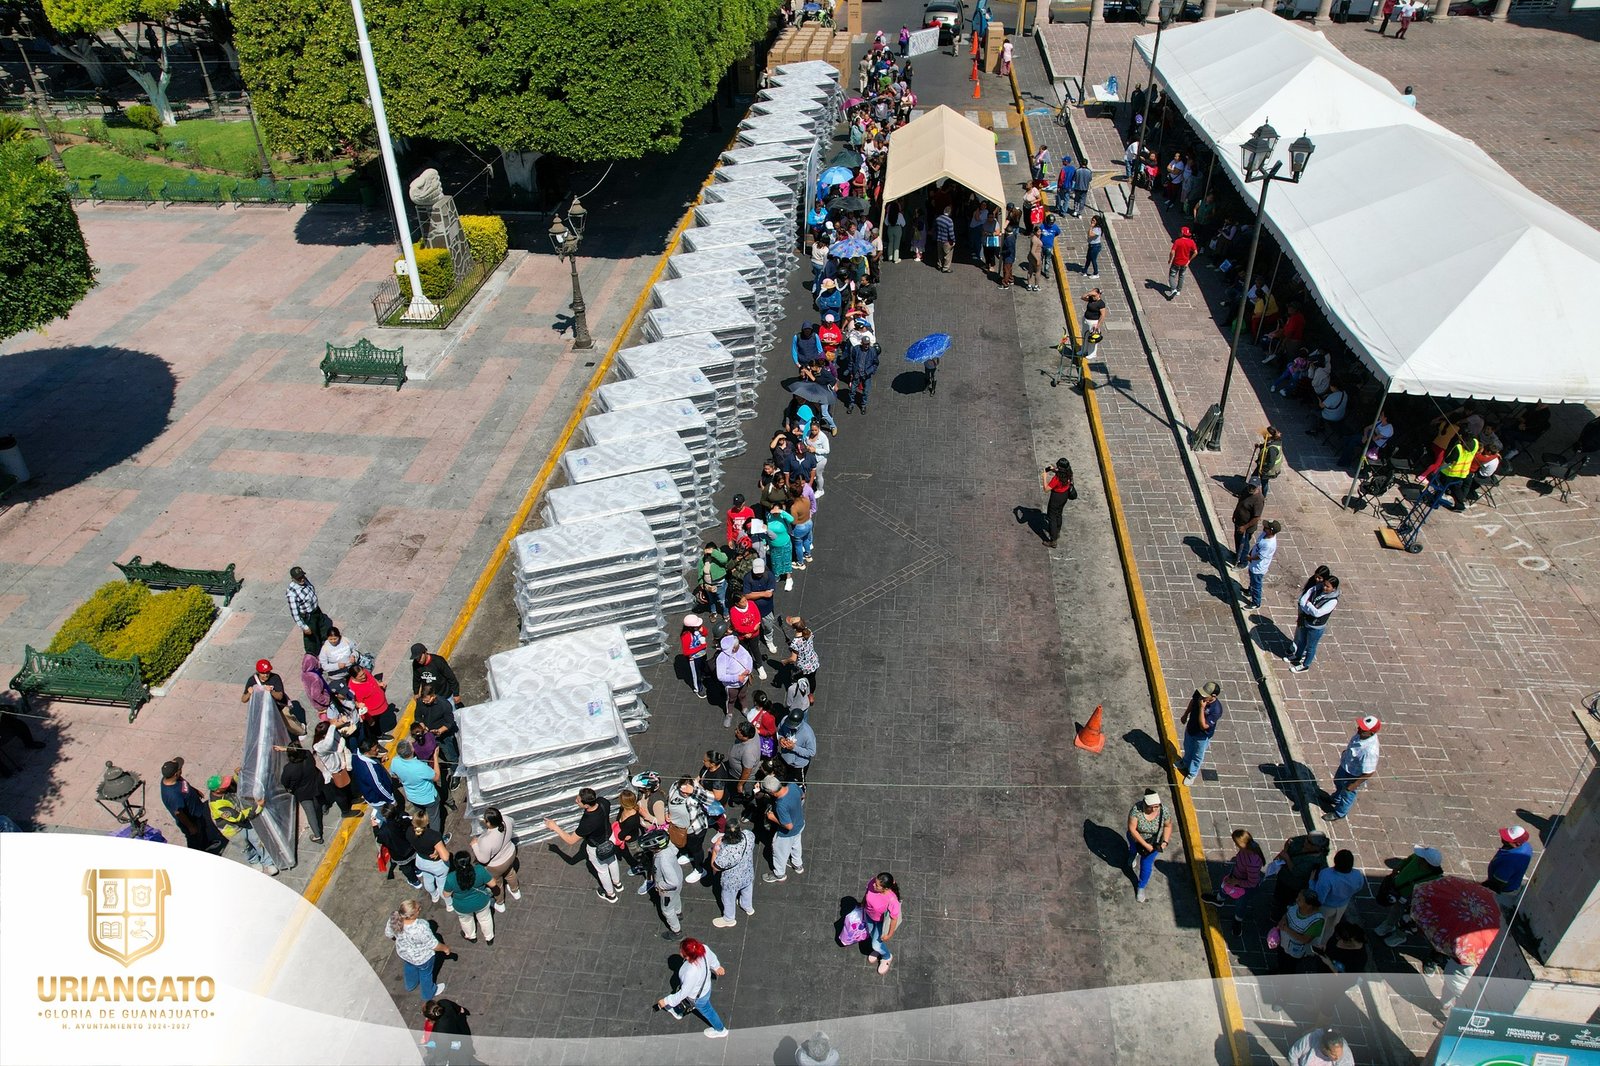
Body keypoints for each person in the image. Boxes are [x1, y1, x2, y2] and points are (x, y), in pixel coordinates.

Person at [544, 787, 621, 903]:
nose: (576, 801)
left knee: (603, 871)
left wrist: (555, 827)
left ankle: (611, 895)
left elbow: (570, 840)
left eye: (578, 800)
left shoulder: (588, 822)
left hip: (596, 848)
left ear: (586, 805)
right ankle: (617, 883)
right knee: (612, 860)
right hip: (610, 838)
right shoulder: (603, 802)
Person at [656, 937, 729, 1038]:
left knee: (708, 1011)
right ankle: (678, 1011)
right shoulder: (703, 948)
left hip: (697, 997)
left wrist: (666, 1000)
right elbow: (712, 958)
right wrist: (717, 967)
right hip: (705, 988)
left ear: (687, 956)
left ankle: (720, 1030)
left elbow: (684, 993)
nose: (679, 951)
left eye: (681, 950)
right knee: (700, 1006)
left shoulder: (691, 972)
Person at [207, 773, 279, 876]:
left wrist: (237, 774)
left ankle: (268, 862)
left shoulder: (225, 789)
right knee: (245, 847)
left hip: (244, 822)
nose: (228, 784)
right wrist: (257, 807)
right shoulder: (217, 805)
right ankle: (254, 861)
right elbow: (238, 817)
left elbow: (237, 784)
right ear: (217, 790)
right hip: (233, 830)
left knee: (258, 841)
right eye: (224, 784)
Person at [1374, 844, 1445, 945]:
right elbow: (1408, 860)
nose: (1418, 857)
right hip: (1397, 892)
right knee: (1395, 910)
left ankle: (1400, 936)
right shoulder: (1418, 857)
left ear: (1426, 863)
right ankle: (1388, 925)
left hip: (1410, 900)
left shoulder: (1434, 878)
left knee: (1406, 919)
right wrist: (1399, 867)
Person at [385, 899, 451, 1005]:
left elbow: (389, 934)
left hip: (404, 953)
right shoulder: (421, 927)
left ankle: (410, 984)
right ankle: (428, 993)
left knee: (409, 966)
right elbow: (433, 945)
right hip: (422, 958)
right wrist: (445, 948)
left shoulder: (394, 918)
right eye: (418, 909)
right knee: (426, 974)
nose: (420, 909)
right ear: (411, 915)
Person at [1201, 829, 1266, 933]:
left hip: (1244, 886)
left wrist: (1236, 882)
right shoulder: (1248, 848)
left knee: (1241, 903)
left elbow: (1252, 882)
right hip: (1236, 874)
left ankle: (1237, 921)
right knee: (1224, 885)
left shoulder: (1252, 862)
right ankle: (1219, 900)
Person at [160, 757, 222, 852]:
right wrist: (191, 827)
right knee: (194, 839)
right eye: (180, 769)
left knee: (203, 829)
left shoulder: (171, 778)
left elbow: (183, 783)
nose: (181, 769)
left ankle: (206, 845)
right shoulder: (173, 795)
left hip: (197, 811)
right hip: (192, 819)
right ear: (176, 773)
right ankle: (197, 854)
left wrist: (195, 791)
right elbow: (178, 813)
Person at [1327, 715, 1380, 821]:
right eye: (1360, 726)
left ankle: (1339, 813)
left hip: (1354, 775)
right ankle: (1336, 798)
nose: (1359, 729)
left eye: (1363, 729)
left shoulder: (1370, 751)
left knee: (1348, 794)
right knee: (1338, 782)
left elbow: (1369, 772)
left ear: (1371, 733)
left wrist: (1354, 785)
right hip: (1346, 765)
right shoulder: (1361, 735)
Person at [1309, 850, 1366, 946]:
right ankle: (1324, 945)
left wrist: (1311, 881)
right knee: (1331, 928)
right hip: (1342, 905)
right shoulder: (1358, 875)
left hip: (1325, 907)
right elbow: (1359, 888)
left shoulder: (1326, 875)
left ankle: (1314, 947)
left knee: (1318, 928)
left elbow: (1319, 897)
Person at [1285, 573, 1339, 674]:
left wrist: (1308, 605)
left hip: (1316, 627)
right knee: (1301, 641)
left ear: (1333, 588)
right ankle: (1297, 656)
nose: (1324, 587)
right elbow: (1303, 600)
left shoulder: (1332, 601)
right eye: (1324, 584)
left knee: (1311, 646)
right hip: (1306, 621)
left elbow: (1317, 613)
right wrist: (1308, 607)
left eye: (1328, 586)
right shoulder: (1317, 590)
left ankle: (1305, 665)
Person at [470, 807, 521, 910]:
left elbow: (483, 859)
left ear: (488, 823)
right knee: (510, 873)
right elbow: (513, 823)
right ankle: (515, 891)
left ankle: (500, 903)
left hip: (497, 865)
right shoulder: (506, 819)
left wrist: (474, 845)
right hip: (511, 854)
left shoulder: (485, 840)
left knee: (497, 882)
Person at [442, 850, 497, 944]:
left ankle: (471, 937)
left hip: (462, 906)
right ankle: (489, 938)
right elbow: (493, 884)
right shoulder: (479, 870)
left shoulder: (451, 878)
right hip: (481, 902)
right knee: (485, 919)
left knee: (466, 921)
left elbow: (446, 895)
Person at [1127, 789, 1171, 903]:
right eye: (1151, 806)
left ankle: (1141, 887)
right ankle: (1132, 856)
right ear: (1144, 803)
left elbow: (1168, 826)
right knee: (1132, 850)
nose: (1154, 809)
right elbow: (1132, 829)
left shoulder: (1164, 811)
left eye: (1156, 806)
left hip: (1153, 843)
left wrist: (1165, 842)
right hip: (1136, 840)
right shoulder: (1136, 810)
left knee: (1146, 865)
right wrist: (1144, 844)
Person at [710, 822, 757, 927]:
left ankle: (729, 918)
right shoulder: (749, 836)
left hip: (731, 881)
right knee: (747, 890)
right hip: (747, 872)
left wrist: (715, 850)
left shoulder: (726, 851)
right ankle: (747, 906)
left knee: (728, 899)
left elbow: (715, 866)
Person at [1177, 682, 1224, 786]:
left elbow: (1204, 726)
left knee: (1197, 754)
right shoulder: (1199, 694)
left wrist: (1202, 707)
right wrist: (1185, 714)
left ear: (1213, 696)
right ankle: (1185, 762)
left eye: (1205, 695)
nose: (1202, 696)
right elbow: (1193, 702)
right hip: (1191, 728)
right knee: (1187, 746)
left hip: (1202, 736)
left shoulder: (1216, 709)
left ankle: (1192, 773)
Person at [667, 777, 712, 884]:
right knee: (687, 845)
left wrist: (693, 791)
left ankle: (699, 869)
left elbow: (711, 799)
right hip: (679, 829)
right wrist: (666, 812)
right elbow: (667, 801)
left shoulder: (695, 793)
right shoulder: (674, 786)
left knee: (696, 849)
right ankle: (689, 855)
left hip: (695, 830)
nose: (685, 794)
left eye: (687, 791)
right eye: (682, 791)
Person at [392, 739, 444, 831]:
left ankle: (421, 833)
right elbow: (436, 777)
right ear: (412, 750)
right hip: (428, 798)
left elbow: (394, 775)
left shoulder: (395, 762)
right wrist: (435, 757)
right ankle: (436, 840)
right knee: (434, 819)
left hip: (413, 797)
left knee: (420, 817)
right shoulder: (420, 767)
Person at [761, 775, 805, 882]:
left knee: (779, 852)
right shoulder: (793, 786)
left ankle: (779, 874)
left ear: (771, 792)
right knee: (796, 844)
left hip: (787, 834)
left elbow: (788, 826)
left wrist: (772, 817)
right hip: (800, 823)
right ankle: (797, 864)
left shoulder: (781, 804)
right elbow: (802, 796)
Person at [280, 746, 327, 844]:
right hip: (316, 783)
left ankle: (318, 836)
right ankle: (324, 808)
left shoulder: (289, 769)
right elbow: (304, 750)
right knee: (319, 797)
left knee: (310, 813)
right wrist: (287, 748)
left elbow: (285, 782)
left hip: (304, 792)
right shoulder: (308, 755)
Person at [415, 684, 460, 786]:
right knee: (435, 752)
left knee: (450, 755)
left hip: (444, 735)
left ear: (433, 696)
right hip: (429, 733)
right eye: (423, 700)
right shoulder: (420, 702)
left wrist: (440, 731)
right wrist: (423, 726)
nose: (424, 702)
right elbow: (418, 716)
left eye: (427, 700)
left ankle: (456, 772)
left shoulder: (444, 705)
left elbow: (449, 722)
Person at [1274, 889, 1326, 976]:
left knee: (1289, 968)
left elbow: (1305, 939)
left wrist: (1286, 929)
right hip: (1283, 942)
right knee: (1281, 958)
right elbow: (1287, 913)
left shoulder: (1317, 921)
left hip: (1294, 950)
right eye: (1298, 897)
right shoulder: (1296, 906)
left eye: (1300, 899)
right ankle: (1279, 970)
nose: (1296, 900)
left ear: (1309, 905)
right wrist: (1283, 920)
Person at [863, 872, 902, 975]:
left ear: (885, 889)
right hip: (869, 916)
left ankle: (886, 957)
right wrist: (863, 903)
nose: (873, 885)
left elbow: (894, 919)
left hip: (881, 923)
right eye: (875, 882)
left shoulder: (892, 900)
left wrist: (889, 934)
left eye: (877, 885)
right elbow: (867, 893)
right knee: (870, 933)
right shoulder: (872, 883)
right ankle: (878, 951)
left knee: (876, 945)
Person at [409, 809, 452, 901]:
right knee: (441, 883)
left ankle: (434, 896)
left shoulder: (409, 831)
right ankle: (449, 904)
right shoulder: (433, 835)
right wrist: (437, 851)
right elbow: (445, 856)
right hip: (436, 865)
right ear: (427, 822)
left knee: (428, 879)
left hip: (421, 861)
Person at [286, 566, 331, 654]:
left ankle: (327, 646)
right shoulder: (292, 593)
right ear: (293, 579)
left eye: (302, 576)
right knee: (311, 637)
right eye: (299, 578)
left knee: (323, 628)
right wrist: (304, 626)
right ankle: (313, 655)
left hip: (316, 610)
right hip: (308, 616)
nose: (302, 579)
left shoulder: (305, 581)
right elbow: (295, 613)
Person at [717, 631, 755, 727]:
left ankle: (744, 709)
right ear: (732, 648)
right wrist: (737, 677)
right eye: (736, 646)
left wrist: (748, 670)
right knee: (731, 699)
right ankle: (729, 714)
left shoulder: (740, 648)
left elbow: (749, 658)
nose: (739, 647)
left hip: (744, 682)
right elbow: (720, 676)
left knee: (743, 695)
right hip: (731, 686)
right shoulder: (722, 658)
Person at [1241, 520, 1281, 610]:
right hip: (1253, 564)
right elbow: (1257, 545)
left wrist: (1250, 558)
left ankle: (1256, 603)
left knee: (1256, 585)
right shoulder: (1264, 534)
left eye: (1266, 527)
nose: (1264, 527)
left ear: (1271, 531)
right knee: (1252, 580)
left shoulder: (1269, 544)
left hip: (1258, 567)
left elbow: (1260, 556)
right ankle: (1250, 591)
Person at [1484, 825, 1533, 897]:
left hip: (1503, 890)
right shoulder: (1526, 846)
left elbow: (1497, 884)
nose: (1502, 838)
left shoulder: (1510, 861)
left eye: (1507, 839)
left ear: (1517, 844)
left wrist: (1486, 889)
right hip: (1513, 883)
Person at [421, 998, 474, 1064]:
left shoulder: (440, 1032)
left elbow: (442, 1050)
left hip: (457, 1041)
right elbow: (461, 1010)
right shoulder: (444, 1003)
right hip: (462, 1029)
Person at [1229, 481, 1264, 569]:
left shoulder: (1258, 499)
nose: (1251, 488)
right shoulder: (1246, 490)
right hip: (1239, 522)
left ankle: (1243, 562)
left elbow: (1256, 518)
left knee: (1244, 544)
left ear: (1258, 487)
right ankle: (1237, 555)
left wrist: (1244, 527)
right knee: (1237, 539)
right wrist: (1235, 513)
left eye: (1253, 487)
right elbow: (1240, 502)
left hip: (1246, 527)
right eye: (1250, 486)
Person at [782, 616, 820, 694]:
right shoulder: (808, 631)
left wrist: (785, 661)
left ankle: (801, 694)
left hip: (804, 666)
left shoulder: (795, 642)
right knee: (812, 679)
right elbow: (804, 645)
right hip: (813, 660)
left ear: (794, 628)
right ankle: (811, 695)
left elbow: (793, 659)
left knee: (799, 679)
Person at [1040, 459, 1074, 547]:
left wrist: (1044, 477)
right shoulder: (1069, 473)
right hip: (1064, 495)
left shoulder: (1057, 478)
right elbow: (1061, 472)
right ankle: (1057, 531)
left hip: (1056, 497)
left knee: (1052, 518)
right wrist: (1053, 469)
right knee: (1059, 514)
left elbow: (1046, 489)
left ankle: (1053, 540)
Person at [778, 708, 817, 784]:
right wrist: (781, 738)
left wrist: (794, 748)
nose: (790, 726)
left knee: (799, 784)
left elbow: (812, 752)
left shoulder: (808, 734)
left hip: (798, 765)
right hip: (785, 759)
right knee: (784, 778)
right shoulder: (784, 720)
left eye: (792, 726)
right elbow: (780, 731)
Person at [679, 614, 710, 699]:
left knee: (703, 666)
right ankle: (698, 688)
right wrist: (701, 647)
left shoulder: (698, 629)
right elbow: (686, 652)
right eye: (697, 625)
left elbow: (706, 633)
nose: (700, 626)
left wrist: (702, 630)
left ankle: (704, 674)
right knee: (696, 674)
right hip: (694, 658)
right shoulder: (686, 636)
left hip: (702, 654)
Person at [1287, 1027, 1353, 1066]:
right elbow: (1293, 1054)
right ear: (1324, 1048)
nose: (1337, 1058)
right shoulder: (1310, 1039)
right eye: (1334, 1054)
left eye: (1339, 1054)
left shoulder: (1345, 1052)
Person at [1166, 226, 1197, 298]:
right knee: (1181, 276)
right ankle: (1178, 290)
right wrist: (1189, 261)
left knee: (1172, 275)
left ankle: (1173, 289)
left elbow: (1172, 252)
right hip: (1185, 263)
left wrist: (1170, 259)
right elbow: (1195, 252)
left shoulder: (1178, 241)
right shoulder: (1191, 242)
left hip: (1176, 262)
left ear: (1182, 233)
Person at [1082, 288, 1107, 360]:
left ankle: (1092, 353)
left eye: (1095, 295)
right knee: (1084, 335)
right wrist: (1089, 293)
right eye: (1093, 295)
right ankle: (1084, 350)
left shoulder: (1101, 303)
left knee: (1092, 338)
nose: (1094, 297)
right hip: (1086, 320)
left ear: (1099, 295)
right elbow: (1082, 297)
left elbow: (1103, 315)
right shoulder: (1091, 299)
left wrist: (1098, 325)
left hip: (1093, 322)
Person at [1038, 213, 1061, 280]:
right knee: (1040, 259)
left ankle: (1046, 271)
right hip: (1042, 246)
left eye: (1052, 223)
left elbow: (1057, 233)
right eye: (1049, 223)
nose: (1051, 224)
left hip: (1049, 247)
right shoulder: (1042, 226)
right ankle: (1038, 269)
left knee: (1047, 260)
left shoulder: (1055, 227)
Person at [934, 205, 956, 272]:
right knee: (947, 255)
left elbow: (935, 229)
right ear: (950, 212)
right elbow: (951, 233)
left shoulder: (938, 218)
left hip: (939, 239)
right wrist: (954, 240)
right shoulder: (949, 221)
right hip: (946, 241)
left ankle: (939, 265)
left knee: (939, 254)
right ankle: (945, 268)